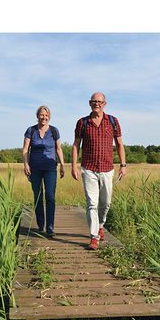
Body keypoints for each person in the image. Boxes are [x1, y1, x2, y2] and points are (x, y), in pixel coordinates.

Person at [71, 92, 126, 250]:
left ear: (104, 104)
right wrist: (73, 165)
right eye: (94, 101)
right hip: (89, 168)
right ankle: (94, 236)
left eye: (100, 102)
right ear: (89, 103)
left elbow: (120, 144)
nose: (97, 104)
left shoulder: (113, 121)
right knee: (91, 204)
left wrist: (123, 165)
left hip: (107, 169)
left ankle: (100, 225)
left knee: (106, 203)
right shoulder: (82, 122)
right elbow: (76, 145)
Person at [22, 105, 65, 237]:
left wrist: (63, 165)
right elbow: (25, 150)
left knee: (50, 197)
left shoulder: (54, 131)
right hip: (35, 168)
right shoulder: (31, 130)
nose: (44, 117)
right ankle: (41, 225)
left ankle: (50, 227)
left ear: (49, 117)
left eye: (46, 115)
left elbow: (58, 149)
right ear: (37, 116)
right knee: (38, 196)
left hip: (50, 168)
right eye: (41, 115)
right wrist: (26, 164)